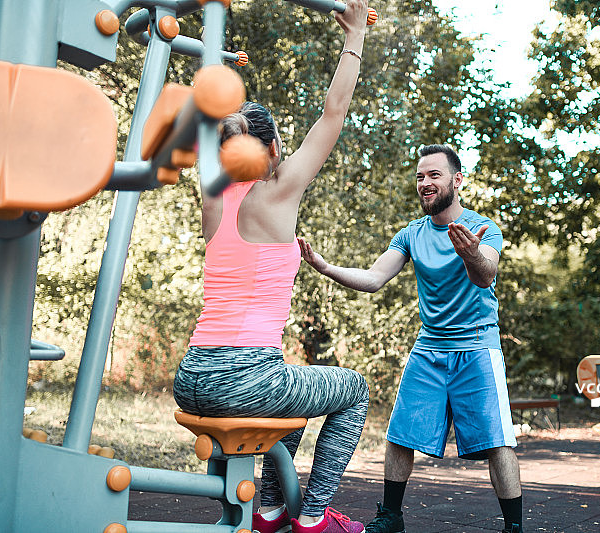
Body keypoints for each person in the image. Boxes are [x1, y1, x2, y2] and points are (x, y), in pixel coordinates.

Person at [172, 3, 371, 533]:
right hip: (244, 377)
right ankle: (312, 515)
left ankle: (267, 509)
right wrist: (354, 37)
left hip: (192, 375)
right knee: (351, 388)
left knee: (292, 392)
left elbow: (206, 126)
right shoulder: (279, 193)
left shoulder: (211, 193)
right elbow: (334, 113)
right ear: (275, 147)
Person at [298, 144, 523, 533]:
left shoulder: (484, 227)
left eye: (434, 175)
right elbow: (373, 279)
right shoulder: (411, 234)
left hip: (476, 347)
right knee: (400, 433)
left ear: (457, 180)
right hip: (430, 347)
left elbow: (485, 275)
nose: (425, 182)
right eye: (420, 176)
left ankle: (514, 527)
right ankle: (391, 516)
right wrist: (324, 266)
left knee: (498, 440)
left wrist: (471, 253)